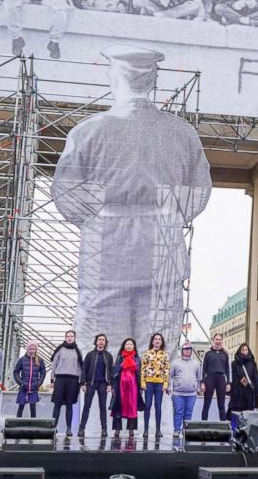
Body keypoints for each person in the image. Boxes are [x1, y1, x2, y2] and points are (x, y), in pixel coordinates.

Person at [51, 45, 211, 352]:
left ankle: (108, 400)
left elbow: (67, 193)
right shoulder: (182, 132)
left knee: (103, 352)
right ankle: (149, 402)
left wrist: (101, 213)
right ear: (152, 79)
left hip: (107, 249)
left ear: (114, 78)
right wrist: (166, 213)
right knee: (157, 352)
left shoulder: (88, 132)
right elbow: (199, 191)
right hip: (163, 245)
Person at [79, 334, 114, 438]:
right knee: (86, 406)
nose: (101, 341)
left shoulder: (108, 356)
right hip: (91, 383)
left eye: (103, 340)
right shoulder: (90, 355)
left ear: (105, 342)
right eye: (99, 340)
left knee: (103, 407)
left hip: (103, 384)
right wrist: (83, 383)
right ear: (96, 342)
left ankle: (104, 429)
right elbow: (84, 369)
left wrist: (110, 384)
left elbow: (111, 372)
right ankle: (81, 428)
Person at [50, 330, 83, 436]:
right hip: (60, 379)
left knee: (69, 405)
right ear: (65, 337)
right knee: (57, 404)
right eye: (68, 336)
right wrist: (52, 380)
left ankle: (69, 429)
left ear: (74, 337)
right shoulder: (60, 349)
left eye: (71, 336)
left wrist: (81, 381)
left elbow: (80, 366)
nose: (69, 338)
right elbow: (54, 364)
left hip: (73, 380)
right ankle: (53, 428)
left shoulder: (78, 350)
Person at [110, 338, 144, 439]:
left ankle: (131, 430)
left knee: (132, 407)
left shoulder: (137, 358)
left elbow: (139, 373)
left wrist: (140, 387)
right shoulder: (120, 357)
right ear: (124, 346)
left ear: (134, 346)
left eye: (131, 344)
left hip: (133, 386)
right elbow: (115, 371)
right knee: (118, 406)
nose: (129, 346)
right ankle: (117, 429)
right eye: (127, 344)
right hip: (120, 386)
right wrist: (113, 386)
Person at [141, 332, 170, 438]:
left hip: (159, 383)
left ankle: (158, 430)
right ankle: (146, 430)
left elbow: (166, 369)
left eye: (159, 339)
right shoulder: (147, 354)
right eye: (155, 339)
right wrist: (143, 382)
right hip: (149, 383)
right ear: (152, 341)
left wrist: (165, 383)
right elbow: (143, 369)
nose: (157, 341)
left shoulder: (165, 354)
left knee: (158, 406)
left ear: (161, 342)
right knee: (147, 405)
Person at [170, 342, 201, 437]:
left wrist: (198, 388)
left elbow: (198, 377)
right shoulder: (175, 363)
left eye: (189, 349)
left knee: (188, 412)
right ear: (182, 350)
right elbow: (169, 376)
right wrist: (167, 387)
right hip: (178, 393)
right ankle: (177, 430)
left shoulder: (196, 363)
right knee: (178, 412)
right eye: (185, 349)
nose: (187, 350)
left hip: (191, 394)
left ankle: (186, 430)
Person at [228, 343, 258, 431]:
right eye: (243, 350)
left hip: (248, 393)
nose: (245, 351)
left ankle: (246, 432)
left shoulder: (252, 363)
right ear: (239, 351)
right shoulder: (235, 363)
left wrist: (256, 390)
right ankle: (234, 431)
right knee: (236, 414)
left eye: (246, 350)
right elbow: (232, 377)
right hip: (237, 392)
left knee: (248, 415)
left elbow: (255, 377)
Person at [201, 333, 231, 420]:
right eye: (216, 339)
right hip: (210, 378)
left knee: (221, 404)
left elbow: (228, 369)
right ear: (213, 340)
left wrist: (228, 383)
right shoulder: (208, 353)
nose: (218, 341)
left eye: (219, 339)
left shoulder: (225, 354)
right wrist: (202, 382)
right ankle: (204, 424)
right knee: (207, 403)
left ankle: (223, 425)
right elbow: (203, 368)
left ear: (222, 341)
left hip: (221, 379)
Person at [13, 342, 46, 418]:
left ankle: (33, 426)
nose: (31, 351)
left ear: (36, 350)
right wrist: (21, 383)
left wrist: (38, 383)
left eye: (33, 349)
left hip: (34, 388)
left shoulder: (40, 360)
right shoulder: (22, 360)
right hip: (23, 387)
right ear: (27, 349)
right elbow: (16, 372)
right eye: (30, 349)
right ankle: (17, 426)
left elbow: (43, 373)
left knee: (33, 407)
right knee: (21, 406)